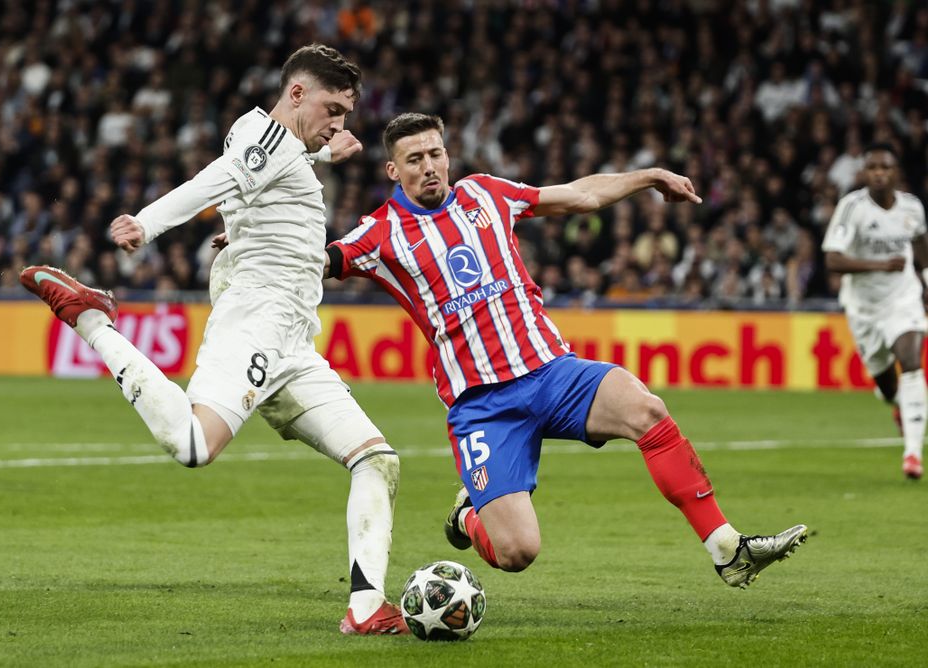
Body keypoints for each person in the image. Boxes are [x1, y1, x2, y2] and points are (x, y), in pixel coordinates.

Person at [20, 45, 407, 635]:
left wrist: (326, 151)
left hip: (295, 345)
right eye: (333, 109)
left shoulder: (279, 146)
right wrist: (146, 223)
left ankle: (365, 608)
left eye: (347, 115)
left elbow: (263, 179)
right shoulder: (271, 140)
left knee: (376, 460)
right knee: (194, 445)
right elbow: (217, 181)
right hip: (256, 321)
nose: (340, 123)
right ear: (297, 94)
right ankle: (91, 319)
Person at [324, 113, 807, 586]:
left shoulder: (485, 193)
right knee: (517, 552)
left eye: (434, 153)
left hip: (552, 373)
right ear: (394, 170)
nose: (428, 166)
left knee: (647, 410)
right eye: (413, 159)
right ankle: (469, 516)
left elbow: (581, 194)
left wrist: (650, 176)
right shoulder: (380, 232)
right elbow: (322, 261)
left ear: (447, 155)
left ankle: (727, 548)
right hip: (483, 406)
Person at [821, 143, 928, 480]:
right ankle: (897, 405)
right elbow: (833, 260)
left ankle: (912, 454)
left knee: (912, 363)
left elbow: (922, 248)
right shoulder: (851, 208)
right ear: (865, 173)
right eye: (873, 168)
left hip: (904, 299)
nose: (879, 173)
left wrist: (925, 282)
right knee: (886, 387)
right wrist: (881, 265)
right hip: (864, 308)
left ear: (896, 173)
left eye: (885, 167)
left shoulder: (912, 207)